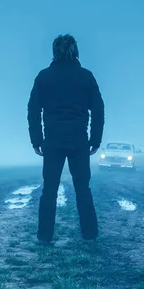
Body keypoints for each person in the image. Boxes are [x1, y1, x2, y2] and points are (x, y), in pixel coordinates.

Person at [27, 34, 105, 245]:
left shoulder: (44, 77)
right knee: (83, 188)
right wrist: (95, 140)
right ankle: (89, 235)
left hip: (52, 141)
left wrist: (36, 139)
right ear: (75, 51)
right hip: (79, 141)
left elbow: (33, 110)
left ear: (54, 51)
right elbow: (98, 110)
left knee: (49, 189)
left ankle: (44, 237)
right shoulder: (86, 77)